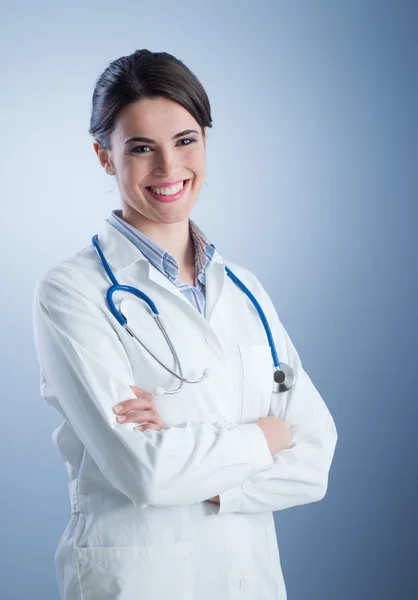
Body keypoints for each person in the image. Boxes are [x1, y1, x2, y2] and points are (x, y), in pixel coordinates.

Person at [32, 48, 338, 600]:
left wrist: (183, 442)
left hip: (251, 580)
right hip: (139, 583)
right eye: (142, 148)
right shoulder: (71, 293)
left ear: (205, 140)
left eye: (185, 140)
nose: (170, 169)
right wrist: (265, 436)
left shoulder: (244, 291)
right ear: (105, 157)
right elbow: (145, 474)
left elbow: (315, 457)